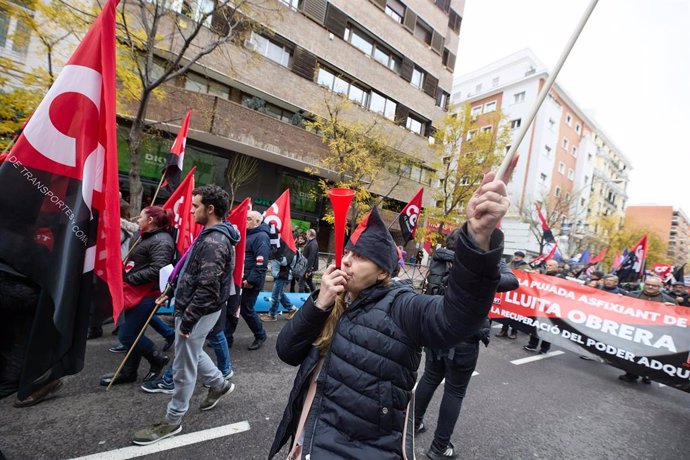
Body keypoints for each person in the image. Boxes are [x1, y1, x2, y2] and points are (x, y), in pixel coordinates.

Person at [268, 171, 509, 460]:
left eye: (359, 256)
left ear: (383, 271)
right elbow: (286, 351)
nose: (346, 260)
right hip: (307, 442)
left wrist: (478, 241)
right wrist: (319, 304)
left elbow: (456, 318)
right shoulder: (330, 299)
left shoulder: (401, 306)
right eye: (347, 252)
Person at [133, 184, 239, 445]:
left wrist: (188, 321)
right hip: (197, 308)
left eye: (195, 206)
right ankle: (219, 384)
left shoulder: (215, 241)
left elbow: (207, 287)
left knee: (183, 364)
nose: (191, 211)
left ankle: (173, 420)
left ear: (210, 209)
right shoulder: (211, 234)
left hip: (198, 311)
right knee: (190, 351)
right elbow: (192, 270)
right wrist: (172, 290)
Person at [414, 228, 518, 460]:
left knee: (430, 377)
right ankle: (439, 447)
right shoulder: (481, 264)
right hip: (465, 336)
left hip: (436, 326)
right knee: (454, 390)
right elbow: (512, 280)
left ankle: (413, 424)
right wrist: (483, 273)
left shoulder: (441, 256)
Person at [100, 206, 174, 386]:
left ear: (150, 220)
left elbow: (158, 269)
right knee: (130, 332)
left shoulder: (162, 241)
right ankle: (128, 371)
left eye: (141, 216)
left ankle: (157, 359)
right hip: (134, 292)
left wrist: (129, 278)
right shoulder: (144, 236)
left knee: (127, 335)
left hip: (147, 294)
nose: (137, 218)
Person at [619, 275, 677, 384]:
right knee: (633, 354)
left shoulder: (669, 300)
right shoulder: (632, 295)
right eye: (648, 284)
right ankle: (631, 374)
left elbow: (678, 318)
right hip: (635, 329)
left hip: (656, 333)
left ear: (660, 286)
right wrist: (617, 299)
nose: (650, 287)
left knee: (651, 356)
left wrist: (673, 309)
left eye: (654, 285)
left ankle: (648, 375)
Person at [232, 210, 270, 350]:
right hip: (241, 279)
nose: (246, 221)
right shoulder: (248, 234)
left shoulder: (261, 236)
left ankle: (260, 334)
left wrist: (251, 281)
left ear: (257, 222)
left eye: (249, 219)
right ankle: (226, 336)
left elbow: (261, 262)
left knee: (246, 309)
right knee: (234, 307)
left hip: (250, 282)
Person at [523, 259, 563, 353]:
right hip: (540, 306)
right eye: (547, 265)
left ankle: (544, 348)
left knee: (548, 328)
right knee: (536, 325)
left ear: (556, 267)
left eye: (550, 265)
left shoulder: (560, 277)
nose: (548, 267)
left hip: (551, 307)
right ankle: (532, 344)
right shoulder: (543, 275)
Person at [260, 249, 298, 321]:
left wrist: (276, 253)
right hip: (279, 275)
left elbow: (284, 262)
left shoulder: (289, 250)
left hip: (283, 276)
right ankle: (292, 309)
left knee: (276, 296)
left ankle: (272, 315)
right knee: (280, 294)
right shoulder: (281, 248)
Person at [299, 228, 319, 293]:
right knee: (309, 282)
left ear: (310, 234)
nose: (306, 235)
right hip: (307, 266)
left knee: (301, 282)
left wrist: (308, 269)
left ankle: (300, 297)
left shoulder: (313, 244)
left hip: (307, 266)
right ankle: (315, 295)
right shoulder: (311, 242)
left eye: (307, 234)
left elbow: (311, 257)